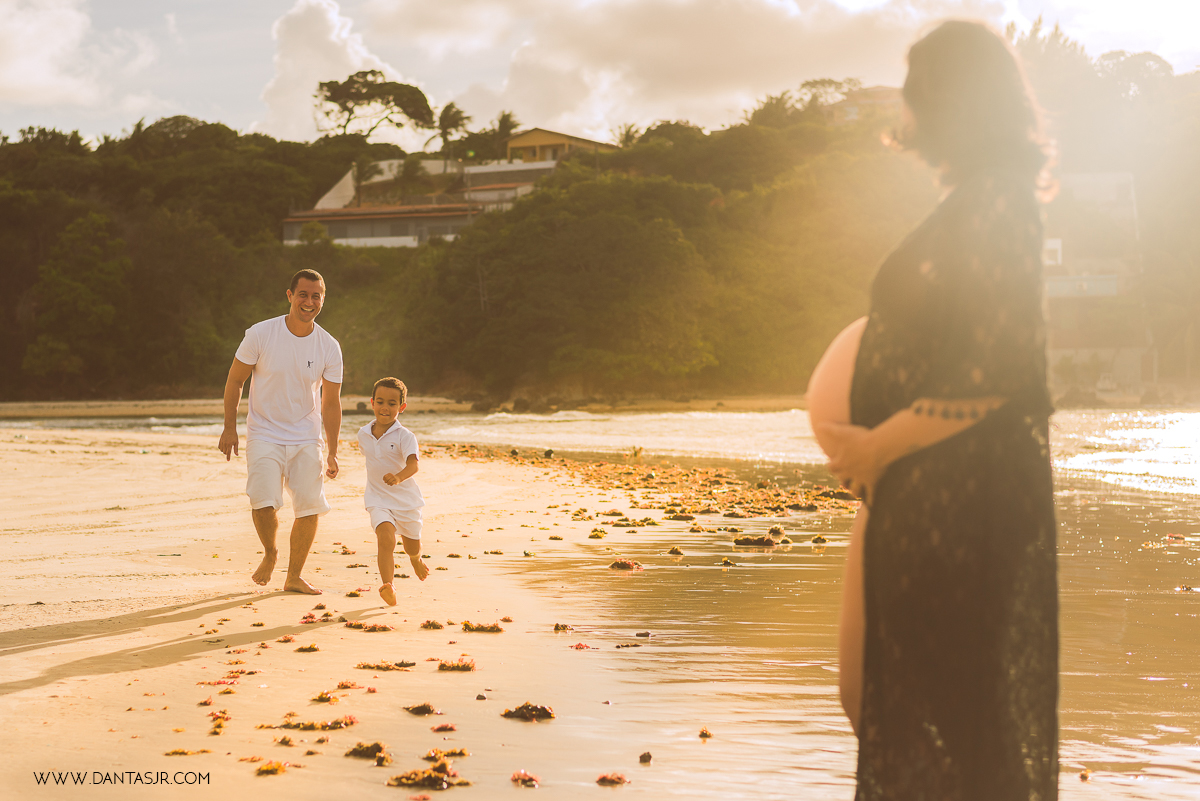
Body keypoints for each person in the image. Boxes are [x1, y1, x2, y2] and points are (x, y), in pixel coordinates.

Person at [814, 20, 1059, 799]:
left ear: (948, 95)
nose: (904, 101)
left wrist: (875, 445)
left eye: (915, 83)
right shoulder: (972, 203)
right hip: (917, 486)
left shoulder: (1000, 202)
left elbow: (998, 367)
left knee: (959, 715)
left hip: (962, 497)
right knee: (874, 693)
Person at [217, 269, 343, 595]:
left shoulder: (329, 346)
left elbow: (331, 403)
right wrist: (229, 428)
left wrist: (332, 450)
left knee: (310, 506)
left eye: (317, 296)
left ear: (323, 300)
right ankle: (271, 553)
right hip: (264, 432)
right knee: (262, 501)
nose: (309, 302)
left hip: (306, 436)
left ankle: (294, 576)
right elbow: (235, 381)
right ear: (290, 295)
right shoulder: (261, 334)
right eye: (303, 294)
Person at [357, 376, 429, 605]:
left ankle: (416, 559)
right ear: (372, 403)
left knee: (411, 546)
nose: (384, 408)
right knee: (385, 539)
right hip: (377, 498)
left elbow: (413, 465)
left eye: (391, 403)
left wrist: (398, 477)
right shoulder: (363, 434)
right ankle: (388, 584)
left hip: (406, 501)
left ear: (402, 407)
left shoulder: (406, 436)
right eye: (380, 402)